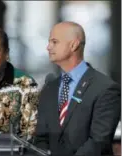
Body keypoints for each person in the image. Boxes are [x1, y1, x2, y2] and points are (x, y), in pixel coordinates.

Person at [34, 21, 121, 156]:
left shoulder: (106, 88)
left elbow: (98, 141)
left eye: (54, 42)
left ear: (74, 45)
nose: (48, 47)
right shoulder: (49, 88)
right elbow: (40, 137)